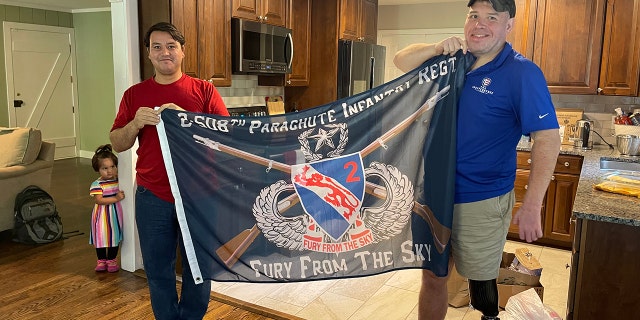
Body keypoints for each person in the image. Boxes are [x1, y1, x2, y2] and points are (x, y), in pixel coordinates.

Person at [393, 1, 560, 319]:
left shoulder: (522, 73)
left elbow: (548, 138)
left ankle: (489, 316)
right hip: (434, 194)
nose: (480, 24)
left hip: (482, 199)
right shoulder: (452, 60)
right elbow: (402, 59)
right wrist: (436, 46)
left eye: (492, 18)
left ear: (508, 25)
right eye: (474, 16)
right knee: (433, 276)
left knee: (481, 282)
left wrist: (533, 203)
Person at [110, 22, 229, 319]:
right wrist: (136, 123)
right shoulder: (134, 95)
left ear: (182, 52)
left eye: (171, 46)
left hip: (200, 196)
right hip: (153, 197)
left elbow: (226, 138)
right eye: (157, 47)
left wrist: (188, 120)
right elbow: (117, 143)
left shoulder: (204, 90)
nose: (165, 52)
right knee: (158, 269)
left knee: (199, 268)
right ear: (148, 54)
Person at [90, 144, 124, 273]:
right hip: (102, 216)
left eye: (112, 167)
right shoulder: (97, 184)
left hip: (115, 215)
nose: (109, 171)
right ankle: (101, 260)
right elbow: (99, 200)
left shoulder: (119, 180)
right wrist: (116, 198)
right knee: (101, 236)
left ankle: (111, 259)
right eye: (105, 168)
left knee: (114, 236)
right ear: (98, 169)